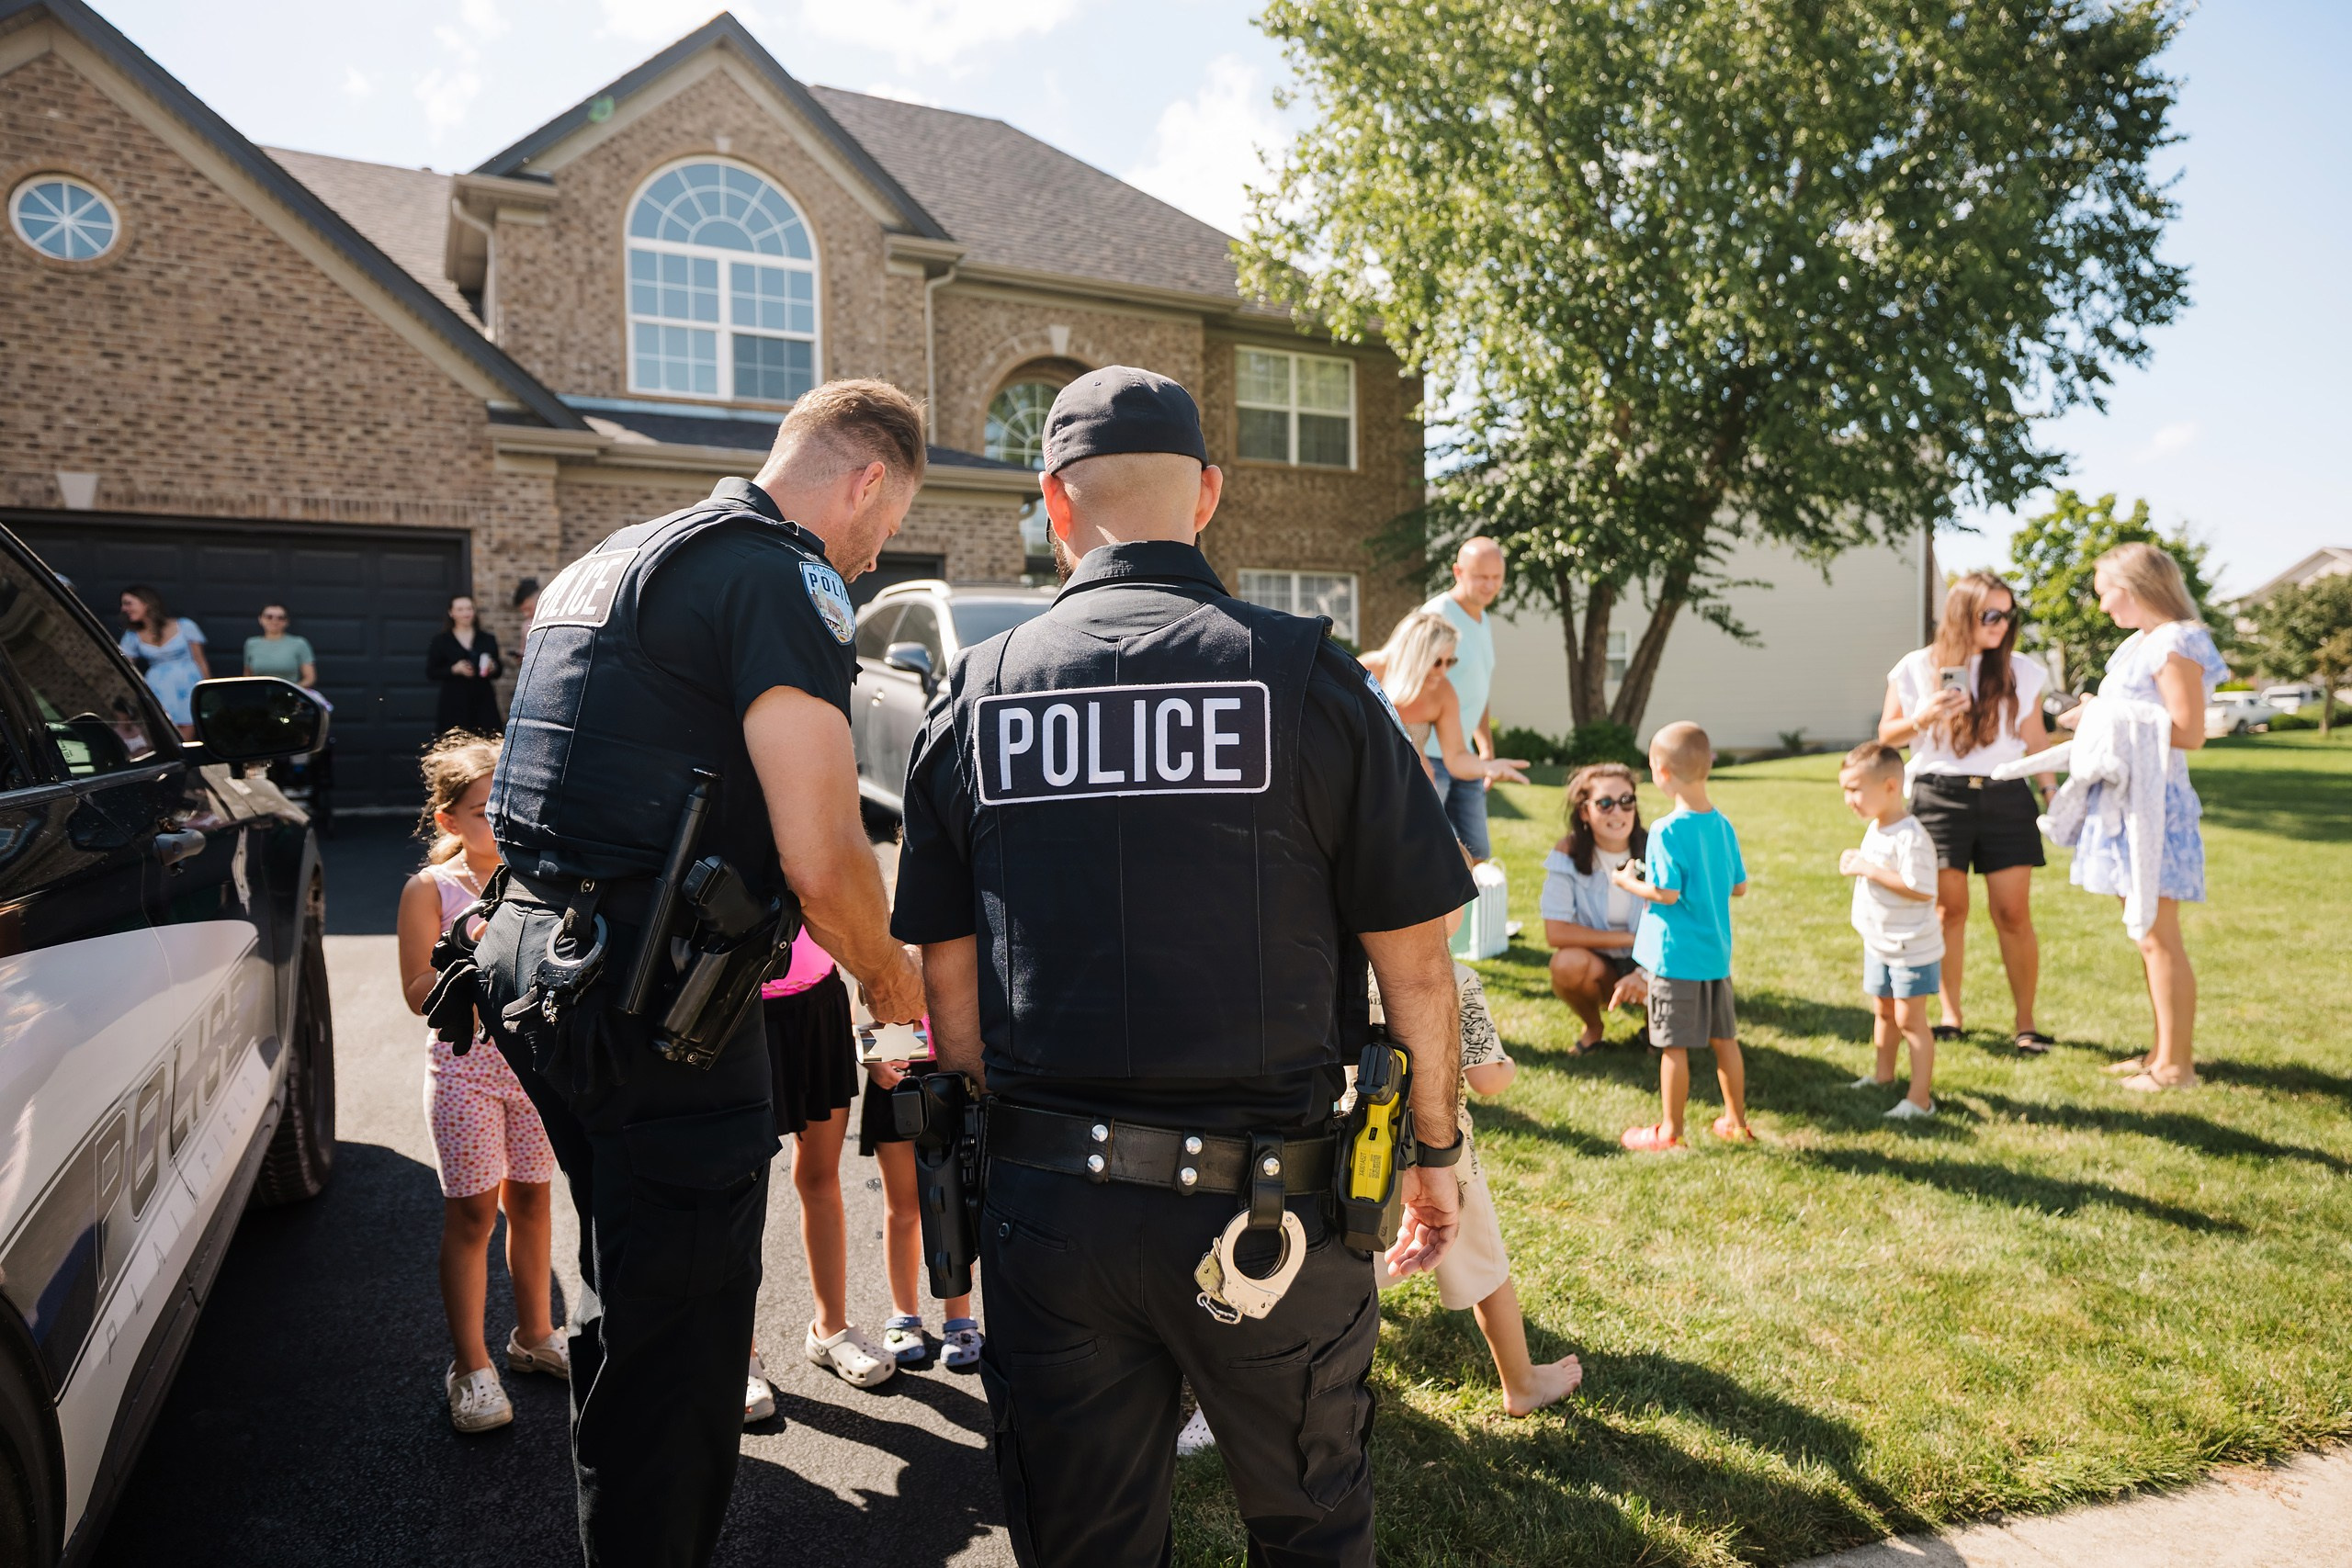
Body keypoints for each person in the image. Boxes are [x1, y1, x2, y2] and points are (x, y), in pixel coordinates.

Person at [890, 367, 1474, 1568]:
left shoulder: (976, 691)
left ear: (1054, 504)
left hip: (1052, 1208)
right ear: (1206, 494)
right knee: (1312, 1531)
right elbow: (1417, 962)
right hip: (1276, 1214)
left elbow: (948, 994)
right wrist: (1436, 1153)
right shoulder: (1312, 680)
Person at [468, 380, 929, 1567]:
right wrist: (890, 980)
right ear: (867, 477)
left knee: (628, 1293)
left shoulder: (612, 556)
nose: (875, 559)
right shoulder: (782, 574)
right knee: (680, 1360)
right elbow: (824, 854)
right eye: (886, 525)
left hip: (537, 971)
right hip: (653, 1007)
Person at [395, 732, 568, 1432]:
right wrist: (467, 959)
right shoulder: (429, 889)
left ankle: (535, 1335)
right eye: (479, 810)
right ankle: (470, 1366)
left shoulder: (544, 881)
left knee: (533, 1201)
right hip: (465, 1069)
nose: (497, 821)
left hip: (533, 1068)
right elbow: (414, 990)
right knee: (472, 1215)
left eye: (508, 806)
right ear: (448, 821)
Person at [1372, 961, 1582, 1416]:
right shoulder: (1452, 976)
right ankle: (1521, 1383)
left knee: (1343, 1267)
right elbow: (1487, 1078)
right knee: (1486, 1270)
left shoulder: (1342, 967)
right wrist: (1509, 1065)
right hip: (1444, 1158)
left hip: (1358, 1151)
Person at [2058, 542, 2226, 1092]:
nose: (2102, 604)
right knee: (2144, 934)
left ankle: (2177, 1068)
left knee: (2159, 936)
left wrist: (2099, 715)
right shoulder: (2141, 645)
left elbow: (2189, 730)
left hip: (2157, 807)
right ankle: (2160, 1052)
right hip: (2126, 804)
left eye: (2106, 591)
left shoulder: (2176, 641)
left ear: (2133, 588)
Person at [1879, 571, 2058, 1052]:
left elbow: (2034, 736)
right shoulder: (1917, 667)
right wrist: (1923, 716)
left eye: (2008, 613)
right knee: (1948, 912)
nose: (2001, 624)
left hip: (2005, 794)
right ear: (1963, 615)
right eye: (1990, 614)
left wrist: (2051, 790)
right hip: (1940, 796)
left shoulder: (2022, 669)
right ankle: (1951, 1017)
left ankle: (2026, 1023)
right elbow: (1887, 735)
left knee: (2013, 913)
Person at [743, 927, 896, 1424]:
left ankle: (831, 1331)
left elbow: (865, 933)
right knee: (737, 1192)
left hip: (820, 1003)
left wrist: (883, 1046)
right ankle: (737, 1357)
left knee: (820, 1178)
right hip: (735, 1010)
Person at [1613, 722, 1751, 1151]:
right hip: (1715, 955)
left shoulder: (1667, 830)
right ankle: (1735, 1121)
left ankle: (1670, 1132)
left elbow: (1666, 893)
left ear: (1661, 771)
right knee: (1724, 1040)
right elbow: (1739, 886)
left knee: (1673, 1045)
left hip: (1675, 959)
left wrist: (1626, 883)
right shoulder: (1722, 824)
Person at [1838, 742, 1943, 1119]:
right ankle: (1883, 1077)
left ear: (1889, 787)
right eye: (1845, 790)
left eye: (1855, 789)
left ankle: (1920, 1100)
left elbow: (1921, 888)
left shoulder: (1910, 836)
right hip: (1879, 943)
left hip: (1910, 947)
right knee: (1882, 1012)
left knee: (1910, 1021)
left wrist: (1867, 869)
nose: (1849, 799)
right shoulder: (1877, 827)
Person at [858, 1052, 982, 1370]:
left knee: (953, 1199)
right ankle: (903, 1315)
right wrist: (870, 1061)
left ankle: (959, 1318)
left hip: (948, 1068)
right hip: (894, 1070)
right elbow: (859, 1008)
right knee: (902, 1208)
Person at [1542, 762, 1650, 1052]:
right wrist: (1628, 940)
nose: (1618, 812)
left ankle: (1656, 1029)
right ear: (1584, 812)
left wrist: (1644, 971)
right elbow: (1556, 933)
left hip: (1656, 959)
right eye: (1605, 803)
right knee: (1565, 965)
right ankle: (1593, 1027)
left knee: (1662, 1043)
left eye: (1627, 801)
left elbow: (1683, 922)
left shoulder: (1658, 848)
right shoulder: (1568, 852)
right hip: (1601, 964)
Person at [1360, 610, 1530, 795]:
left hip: (1415, 787)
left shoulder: (1443, 692)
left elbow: (1456, 756)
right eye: (1437, 662)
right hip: (1366, 781)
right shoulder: (1368, 671)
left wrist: (1486, 768)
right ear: (1414, 655)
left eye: (1450, 662)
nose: (1443, 672)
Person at [1421, 536, 1507, 858]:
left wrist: (1485, 748)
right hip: (1430, 758)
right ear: (1458, 571)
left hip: (1465, 756)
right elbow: (1406, 685)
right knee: (1431, 853)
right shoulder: (1435, 617)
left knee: (1477, 852)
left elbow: (1477, 688)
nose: (1489, 585)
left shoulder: (1483, 619)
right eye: (1480, 576)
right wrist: (1417, 754)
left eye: (1496, 577)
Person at [119, 583, 209, 739]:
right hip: (159, 688)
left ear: (146, 603)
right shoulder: (132, 635)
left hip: (187, 685)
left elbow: (200, 660)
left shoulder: (185, 626)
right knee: (165, 731)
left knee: (187, 730)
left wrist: (209, 691)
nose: (123, 609)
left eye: (128, 603)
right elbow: (125, 665)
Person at [427, 594, 504, 737]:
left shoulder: (487, 639)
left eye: (469, 609)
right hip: (454, 703)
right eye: (460, 609)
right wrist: (454, 669)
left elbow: (499, 670)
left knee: (488, 743)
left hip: (483, 701)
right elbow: (431, 672)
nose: (466, 613)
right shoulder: (441, 641)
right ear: (451, 613)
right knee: (454, 744)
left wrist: (493, 667)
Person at [242, 604, 318, 687]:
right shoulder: (251, 644)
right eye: (269, 617)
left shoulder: (299, 644)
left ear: (287, 621)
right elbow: (247, 676)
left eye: (280, 618)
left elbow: (310, 678)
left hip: (289, 697)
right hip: (259, 696)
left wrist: (290, 691)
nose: (274, 621)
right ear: (260, 619)